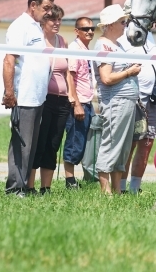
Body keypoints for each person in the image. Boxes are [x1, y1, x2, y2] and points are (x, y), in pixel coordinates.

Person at [3, 0, 54, 197]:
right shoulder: (20, 26)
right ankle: (14, 188)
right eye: (46, 8)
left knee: (30, 145)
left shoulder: (36, 27)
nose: (49, 13)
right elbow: (9, 60)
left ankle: (24, 185)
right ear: (33, 5)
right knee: (21, 144)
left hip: (37, 97)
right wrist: (9, 92)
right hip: (23, 96)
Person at [23, 5, 71, 195]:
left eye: (59, 19)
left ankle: (46, 187)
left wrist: (72, 97)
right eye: (53, 19)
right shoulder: (38, 42)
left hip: (62, 101)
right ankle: (30, 185)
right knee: (39, 143)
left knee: (53, 143)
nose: (57, 23)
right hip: (43, 99)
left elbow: (68, 74)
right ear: (43, 21)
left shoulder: (62, 42)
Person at [93, 4, 141, 195]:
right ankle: (106, 192)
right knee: (111, 144)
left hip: (126, 101)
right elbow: (106, 77)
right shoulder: (103, 45)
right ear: (111, 24)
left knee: (122, 147)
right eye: (123, 22)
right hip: (115, 102)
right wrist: (129, 71)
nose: (125, 25)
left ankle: (117, 189)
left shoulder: (117, 45)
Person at [119, 8, 156, 194]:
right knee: (131, 143)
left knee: (147, 142)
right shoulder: (123, 38)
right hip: (135, 98)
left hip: (152, 98)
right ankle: (120, 186)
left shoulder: (149, 35)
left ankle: (135, 187)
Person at [62, 16, 95, 189]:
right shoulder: (75, 49)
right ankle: (70, 181)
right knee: (75, 141)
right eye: (85, 29)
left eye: (92, 29)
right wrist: (76, 104)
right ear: (77, 31)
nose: (90, 32)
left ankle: (81, 178)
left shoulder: (86, 49)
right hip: (78, 102)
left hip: (87, 101)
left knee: (83, 143)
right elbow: (70, 77)